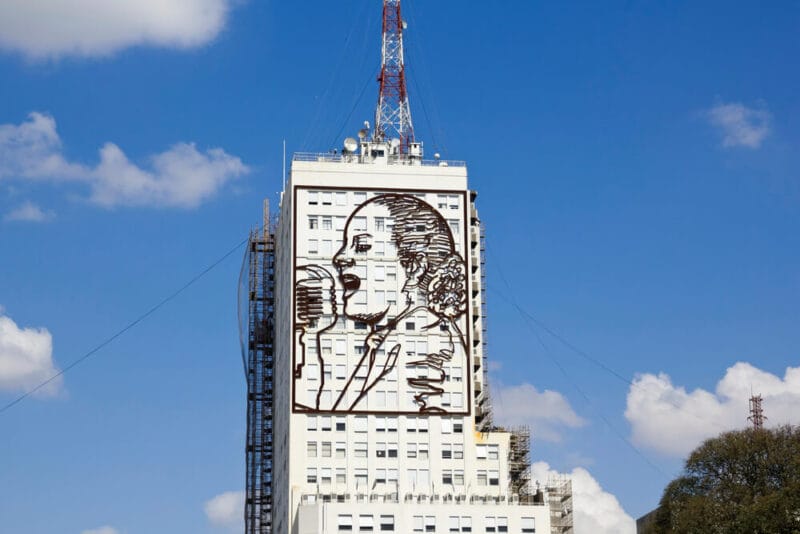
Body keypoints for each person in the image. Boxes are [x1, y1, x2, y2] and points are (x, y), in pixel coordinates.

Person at [330, 193, 468, 413]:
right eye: (346, 246)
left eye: (362, 246)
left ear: (415, 266)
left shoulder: (428, 345)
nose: (339, 257)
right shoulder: (395, 337)